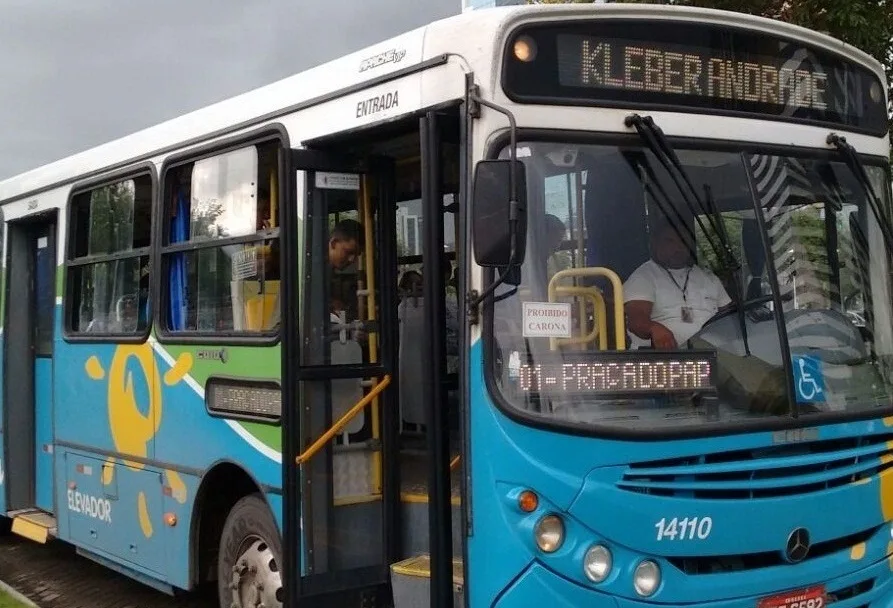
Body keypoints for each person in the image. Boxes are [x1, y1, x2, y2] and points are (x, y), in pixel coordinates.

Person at [624, 218, 731, 350]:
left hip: (716, 356)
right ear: (655, 244)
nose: (678, 247)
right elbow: (636, 320)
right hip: (666, 360)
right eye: (670, 241)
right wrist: (654, 328)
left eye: (683, 241)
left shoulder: (708, 277)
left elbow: (730, 317)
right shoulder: (644, 276)